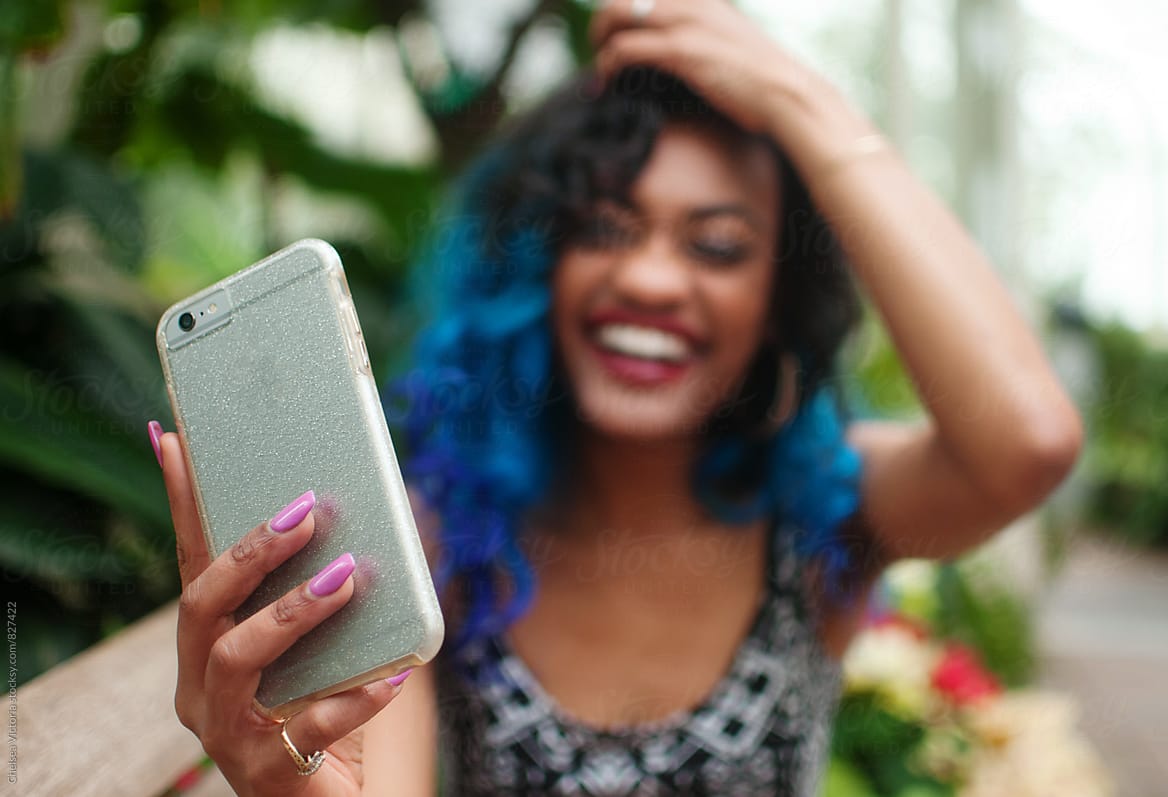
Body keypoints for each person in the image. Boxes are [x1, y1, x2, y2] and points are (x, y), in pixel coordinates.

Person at [149, 1, 1083, 794]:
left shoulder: (829, 515)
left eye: (715, 244)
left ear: (777, 301)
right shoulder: (432, 543)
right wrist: (291, 782)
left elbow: (1029, 441)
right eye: (603, 226)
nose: (650, 278)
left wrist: (802, 100)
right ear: (538, 266)